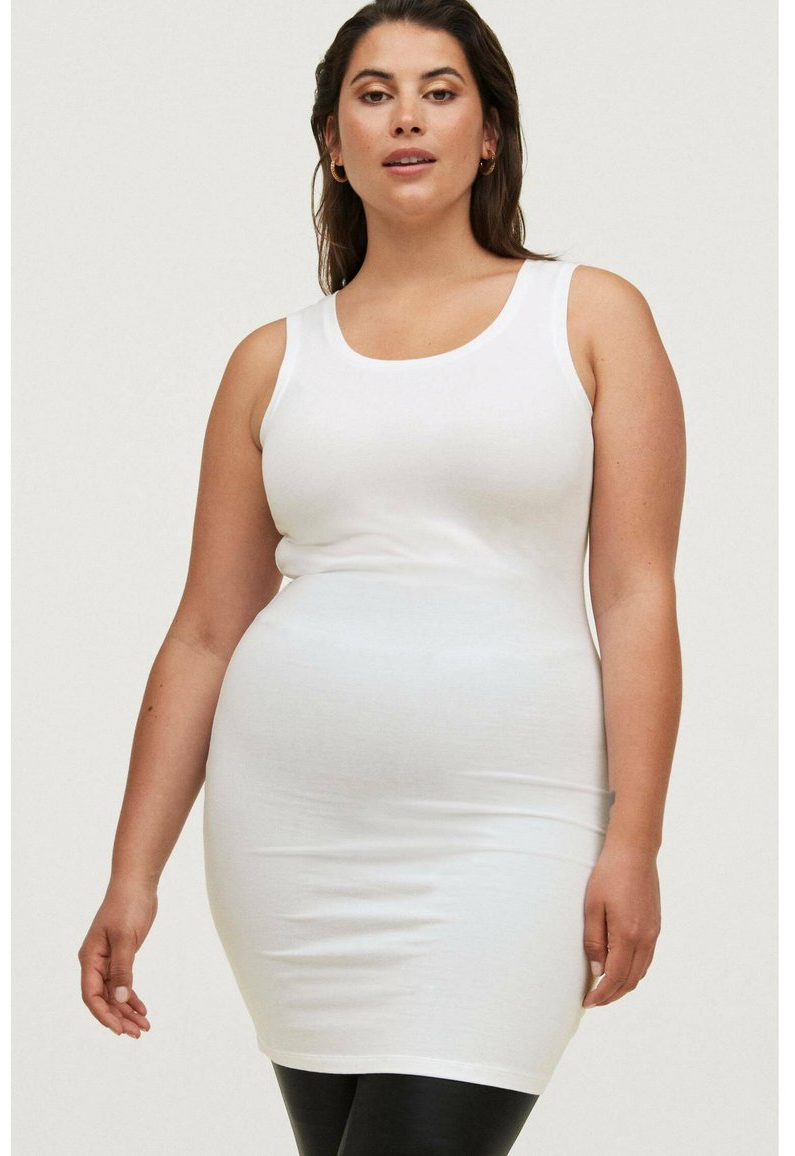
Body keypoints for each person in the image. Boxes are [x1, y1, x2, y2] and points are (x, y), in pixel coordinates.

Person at [78, 1, 686, 1152]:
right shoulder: (271, 361)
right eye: (373, 93)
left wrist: (634, 841)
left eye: (439, 91)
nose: (406, 117)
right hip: (288, 842)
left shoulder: (589, 317)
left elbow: (635, 596)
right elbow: (204, 631)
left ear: (489, 133)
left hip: (513, 831)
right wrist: (130, 872)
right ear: (332, 139)